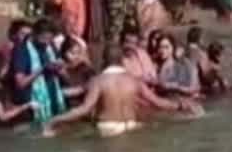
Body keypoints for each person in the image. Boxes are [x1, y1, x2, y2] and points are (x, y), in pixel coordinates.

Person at [43, 45, 198, 137]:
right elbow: (158, 103)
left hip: (107, 129)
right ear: (122, 61)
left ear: (104, 61)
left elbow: (85, 108)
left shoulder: (98, 81)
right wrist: (182, 105)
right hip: (132, 127)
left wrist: (55, 120)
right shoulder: (134, 80)